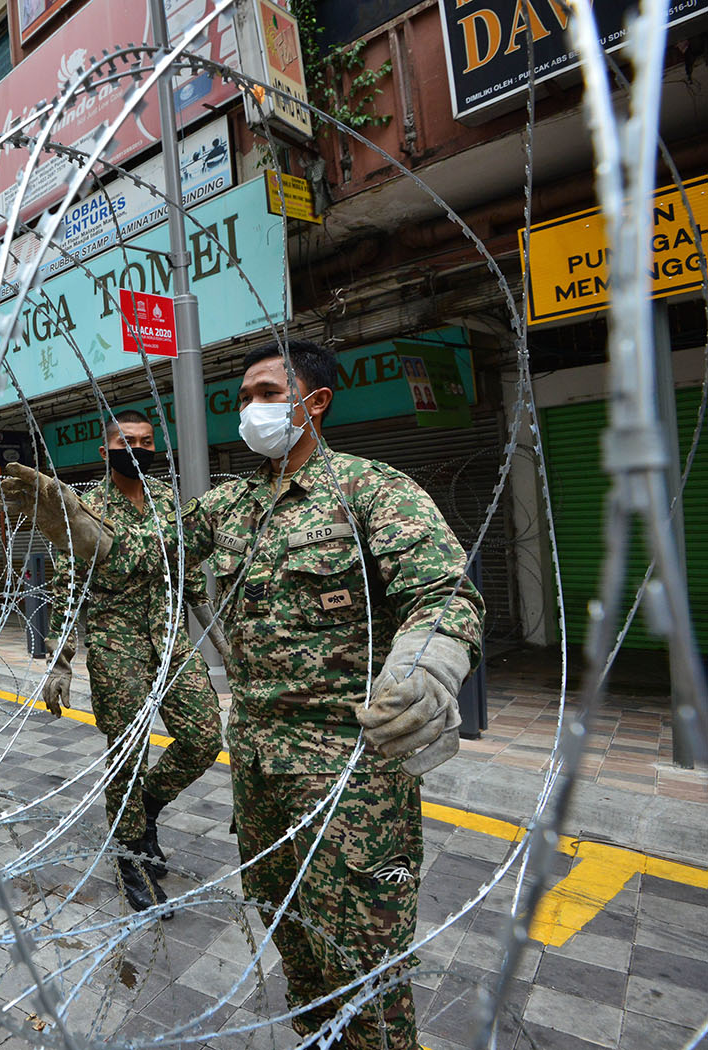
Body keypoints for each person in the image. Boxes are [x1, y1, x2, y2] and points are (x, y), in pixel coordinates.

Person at [177, 340, 485, 1050]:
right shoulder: (229, 504)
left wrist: (427, 662)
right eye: (242, 398)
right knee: (288, 927)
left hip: (348, 773)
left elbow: (443, 594)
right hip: (258, 768)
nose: (248, 410)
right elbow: (145, 552)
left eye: (263, 393)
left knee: (363, 959)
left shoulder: (371, 489)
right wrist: (74, 524)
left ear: (313, 402)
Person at [43, 410, 220, 915]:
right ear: (106, 451)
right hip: (116, 645)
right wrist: (61, 661)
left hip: (170, 639)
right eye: (127, 442)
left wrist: (210, 621)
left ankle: (143, 811)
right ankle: (129, 859)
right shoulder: (86, 508)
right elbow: (67, 587)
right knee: (127, 756)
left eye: (146, 443)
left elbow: (184, 564)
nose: (138, 450)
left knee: (204, 737)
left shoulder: (166, 499)